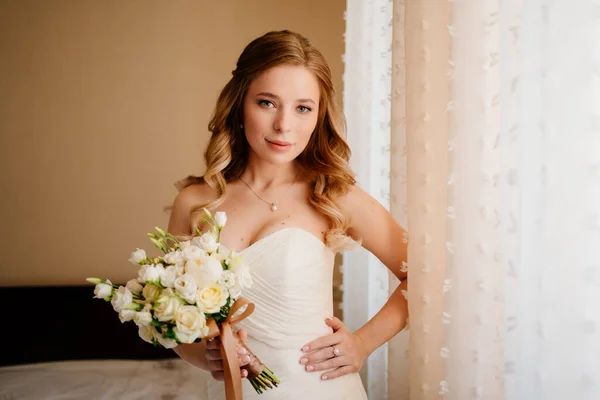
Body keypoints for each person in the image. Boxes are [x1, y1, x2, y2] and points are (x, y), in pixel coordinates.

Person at [167, 30, 408, 400]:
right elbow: (171, 323)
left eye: (302, 108)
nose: (284, 125)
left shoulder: (334, 196)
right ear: (239, 103)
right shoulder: (195, 202)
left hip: (322, 389)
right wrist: (206, 357)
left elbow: (426, 276)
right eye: (267, 103)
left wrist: (362, 343)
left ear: (318, 115)